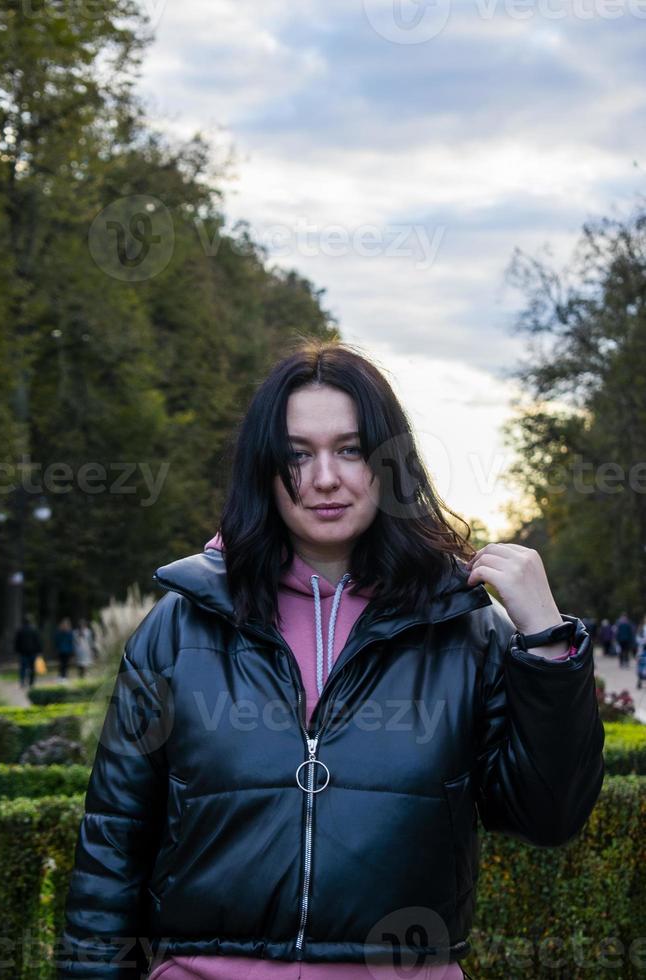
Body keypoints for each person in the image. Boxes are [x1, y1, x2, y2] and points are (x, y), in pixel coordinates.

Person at [56, 340, 605, 980]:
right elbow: (111, 848)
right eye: (297, 454)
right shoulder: (177, 629)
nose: (324, 478)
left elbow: (549, 817)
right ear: (264, 467)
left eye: (350, 449)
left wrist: (545, 642)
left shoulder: (464, 630)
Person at [14, 614, 43, 688]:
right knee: (32, 668)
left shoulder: (20, 630)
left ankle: (22, 682)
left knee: (22, 668)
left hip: (23, 652)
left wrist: (17, 651)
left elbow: (17, 642)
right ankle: (31, 683)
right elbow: (38, 642)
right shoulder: (34, 630)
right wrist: (39, 651)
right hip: (32, 652)